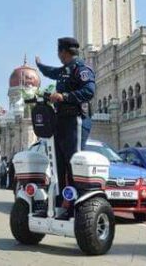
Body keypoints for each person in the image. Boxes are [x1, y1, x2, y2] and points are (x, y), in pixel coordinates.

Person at [35, 37, 95, 218]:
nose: (58, 55)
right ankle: (61, 203)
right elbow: (52, 72)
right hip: (60, 120)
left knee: (73, 164)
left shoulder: (81, 69)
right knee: (59, 165)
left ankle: (77, 206)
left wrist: (64, 96)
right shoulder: (65, 70)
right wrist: (39, 65)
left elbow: (89, 91)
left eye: (59, 52)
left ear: (63, 52)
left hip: (76, 120)